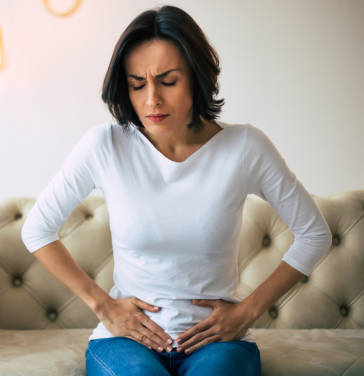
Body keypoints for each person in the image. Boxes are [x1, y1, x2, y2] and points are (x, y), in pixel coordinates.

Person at [21, 4, 332, 376]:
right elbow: (36, 229)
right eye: (137, 84)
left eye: (168, 81)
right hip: (125, 343)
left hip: (219, 343)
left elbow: (315, 234)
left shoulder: (245, 147)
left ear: (197, 78)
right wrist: (103, 305)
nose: (151, 99)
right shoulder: (104, 146)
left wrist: (247, 311)